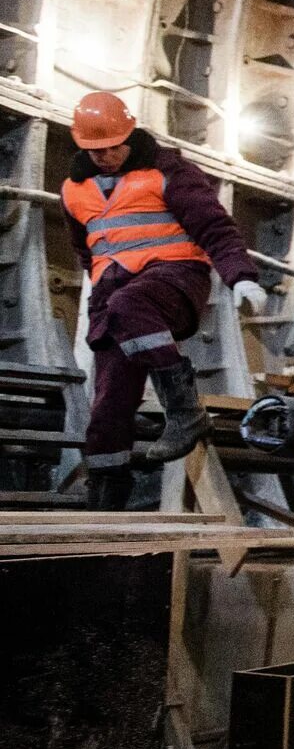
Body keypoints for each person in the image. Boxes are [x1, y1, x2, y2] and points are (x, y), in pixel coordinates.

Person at [61, 92, 269, 509]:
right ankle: (105, 504)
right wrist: (100, 287)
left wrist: (241, 278)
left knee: (129, 306)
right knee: (107, 407)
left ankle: (184, 412)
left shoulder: (168, 171)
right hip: (114, 298)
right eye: (94, 150)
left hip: (175, 280)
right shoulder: (73, 191)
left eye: (112, 146)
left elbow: (215, 228)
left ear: (130, 133)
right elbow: (88, 251)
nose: (104, 156)